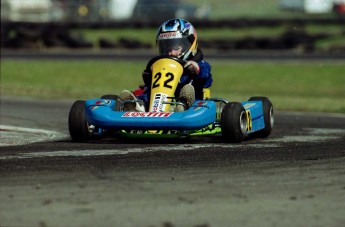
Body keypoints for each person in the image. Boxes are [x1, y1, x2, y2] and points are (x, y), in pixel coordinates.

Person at [120, 18, 213, 112]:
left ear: (190, 44)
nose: (171, 53)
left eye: (176, 48)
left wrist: (197, 69)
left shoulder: (198, 65)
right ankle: (139, 107)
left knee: (188, 90)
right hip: (161, 105)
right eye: (167, 48)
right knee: (149, 92)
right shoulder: (161, 66)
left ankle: (182, 106)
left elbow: (206, 78)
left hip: (191, 108)